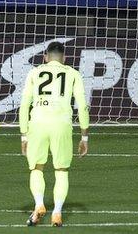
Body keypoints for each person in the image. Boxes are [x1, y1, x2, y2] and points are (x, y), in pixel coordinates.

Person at [19, 41, 89, 227]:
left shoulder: (34, 72)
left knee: (37, 168)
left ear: (45, 57)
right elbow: (82, 106)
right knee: (61, 170)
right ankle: (57, 212)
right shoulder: (73, 74)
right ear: (64, 58)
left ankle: (39, 204)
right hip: (62, 124)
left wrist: (23, 135)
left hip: (38, 123)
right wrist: (84, 137)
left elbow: (24, 105)